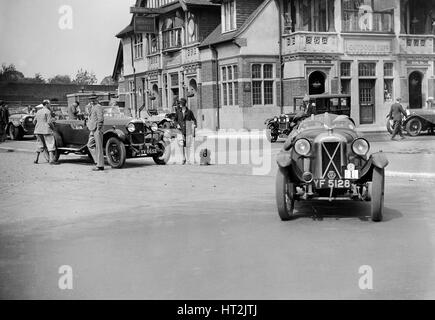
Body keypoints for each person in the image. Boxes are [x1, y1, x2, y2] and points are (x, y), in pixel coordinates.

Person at [33, 100, 59, 164]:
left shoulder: (38, 111)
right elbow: (49, 122)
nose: (50, 105)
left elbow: (34, 121)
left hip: (38, 130)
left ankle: (36, 159)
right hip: (46, 130)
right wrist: (53, 128)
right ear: (46, 104)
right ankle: (51, 160)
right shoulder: (48, 111)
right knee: (50, 144)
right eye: (49, 104)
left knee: (39, 144)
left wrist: (38, 125)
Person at [174, 98, 197, 165]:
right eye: (179, 103)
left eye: (181, 103)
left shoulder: (189, 112)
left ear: (184, 104)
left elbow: (194, 119)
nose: (180, 104)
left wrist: (195, 124)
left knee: (187, 145)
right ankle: (183, 158)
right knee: (181, 145)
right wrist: (177, 125)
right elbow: (175, 120)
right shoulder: (178, 111)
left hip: (188, 130)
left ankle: (188, 159)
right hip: (180, 130)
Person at [87, 95, 105, 171]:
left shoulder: (98, 106)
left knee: (99, 147)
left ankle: (100, 165)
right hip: (92, 129)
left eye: (93, 99)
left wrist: (98, 128)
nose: (92, 100)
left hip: (97, 129)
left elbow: (100, 118)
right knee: (90, 145)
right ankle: (97, 161)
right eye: (91, 99)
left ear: (96, 99)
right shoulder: (91, 107)